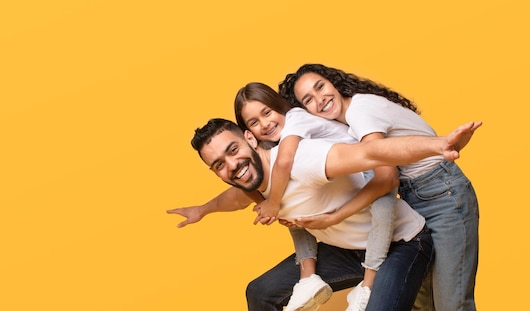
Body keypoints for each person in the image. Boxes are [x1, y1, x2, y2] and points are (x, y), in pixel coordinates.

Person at [176, 117, 479, 311]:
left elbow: (371, 154)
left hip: (402, 244)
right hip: (350, 251)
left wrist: (438, 145)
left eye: (233, 150)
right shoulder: (252, 185)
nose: (231, 165)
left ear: (250, 139)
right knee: (259, 292)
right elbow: (232, 200)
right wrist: (202, 210)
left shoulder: (303, 160)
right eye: (218, 165)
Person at [279, 63, 480, 311]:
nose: (320, 99)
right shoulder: (346, 125)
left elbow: (386, 177)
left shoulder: (360, 112)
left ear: (333, 82)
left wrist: (333, 217)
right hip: (415, 198)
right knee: (423, 304)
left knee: (452, 304)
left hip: (441, 195)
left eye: (320, 87)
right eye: (308, 99)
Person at [233, 82, 401, 311]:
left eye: (267, 112)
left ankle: (368, 284)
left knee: (383, 206)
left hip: (367, 163)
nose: (265, 124)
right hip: (343, 180)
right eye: (254, 122)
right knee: (289, 202)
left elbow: (283, 162)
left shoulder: (295, 118)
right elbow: (246, 186)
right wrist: (203, 209)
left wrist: (272, 204)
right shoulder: (270, 144)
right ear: (247, 133)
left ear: (279, 106)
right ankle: (308, 278)